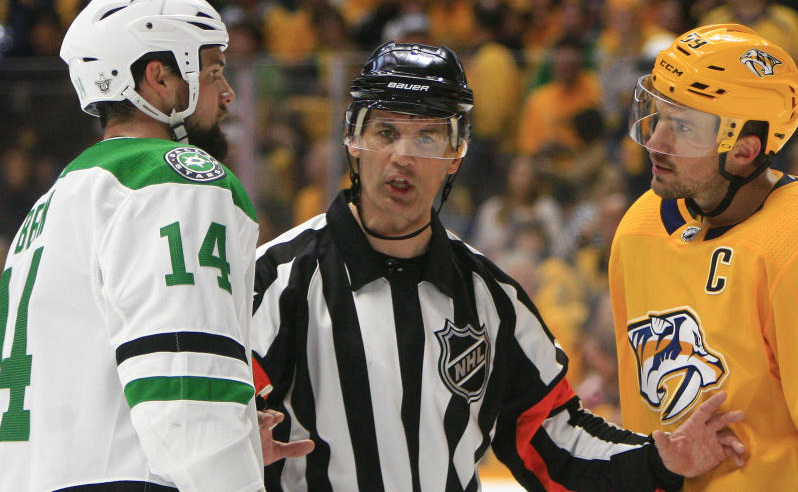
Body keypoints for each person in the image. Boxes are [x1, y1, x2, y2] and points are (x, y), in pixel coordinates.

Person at [250, 41, 746, 491]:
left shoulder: (489, 296)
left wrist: (661, 460)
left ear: (455, 154)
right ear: (352, 141)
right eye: (385, 132)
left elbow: (554, 437)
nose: (402, 155)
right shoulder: (276, 281)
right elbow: (208, 419)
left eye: (427, 137)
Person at [0, 0, 310, 491]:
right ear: (159, 76)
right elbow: (187, 401)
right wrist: (226, 464)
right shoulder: (174, 176)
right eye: (212, 72)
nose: (227, 93)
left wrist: (238, 437)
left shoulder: (50, 205)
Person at [609, 23, 798, 491]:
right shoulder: (640, 227)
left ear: (745, 150)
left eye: (684, 127)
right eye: (658, 114)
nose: (657, 141)